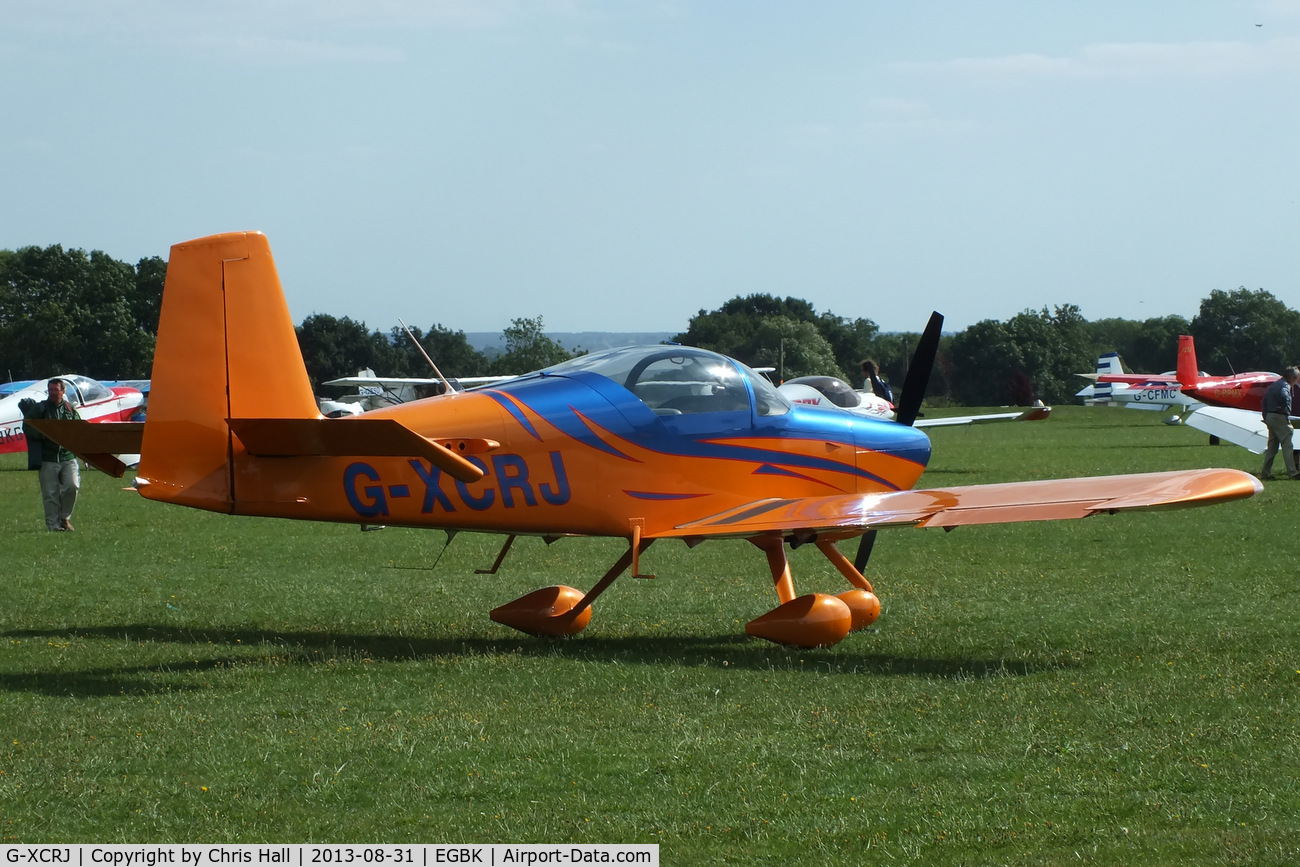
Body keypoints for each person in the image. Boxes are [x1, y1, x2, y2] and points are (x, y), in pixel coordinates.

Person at [18, 378, 82, 531]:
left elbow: (79, 428)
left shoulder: (70, 409)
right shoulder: (39, 408)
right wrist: (43, 435)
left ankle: (64, 517)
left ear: (63, 391)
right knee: (50, 493)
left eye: (56, 390)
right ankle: (53, 526)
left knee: (72, 486)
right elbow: (27, 426)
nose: (53, 393)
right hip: (47, 458)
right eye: (51, 390)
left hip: (68, 457)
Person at [1259, 366, 1300, 481]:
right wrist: (1287, 413)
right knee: (1288, 444)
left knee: (1272, 447)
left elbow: (1265, 401)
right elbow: (1284, 396)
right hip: (1279, 416)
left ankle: (1266, 473)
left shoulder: (1274, 385)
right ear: (1292, 377)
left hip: (1270, 416)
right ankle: (1293, 473)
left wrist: (1266, 416)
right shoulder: (1285, 386)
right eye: (1296, 378)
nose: (1297, 380)